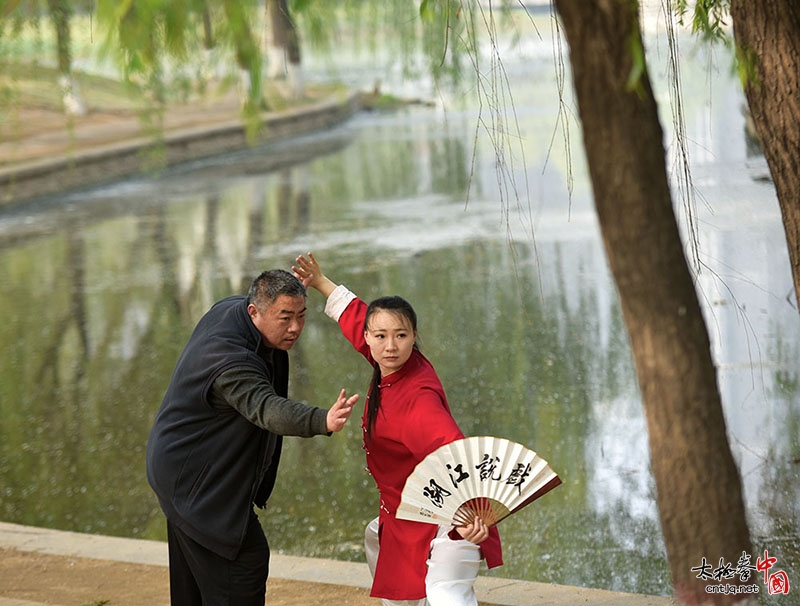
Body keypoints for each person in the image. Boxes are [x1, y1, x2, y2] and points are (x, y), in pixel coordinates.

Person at [293, 253, 502, 606]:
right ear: (368, 339)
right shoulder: (393, 359)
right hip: (404, 515)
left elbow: (455, 453)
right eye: (381, 336)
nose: (391, 346)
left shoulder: (417, 400)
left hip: (451, 518)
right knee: (393, 579)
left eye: (401, 335)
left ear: (414, 336)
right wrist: (320, 281)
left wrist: (474, 516)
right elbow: (359, 314)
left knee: (446, 597)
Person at [146, 269, 359, 606]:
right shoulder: (231, 363)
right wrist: (323, 420)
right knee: (244, 560)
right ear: (254, 311)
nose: (295, 328)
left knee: (194, 587)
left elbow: (270, 295)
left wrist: (283, 289)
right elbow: (268, 409)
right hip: (195, 484)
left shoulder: (231, 309)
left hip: (179, 471)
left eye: (301, 315)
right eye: (284, 317)